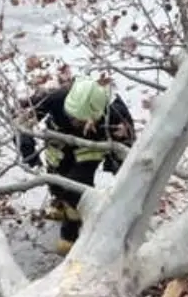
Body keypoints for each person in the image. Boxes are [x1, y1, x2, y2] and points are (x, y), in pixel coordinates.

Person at [19, 77, 136, 255]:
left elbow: (128, 147)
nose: (73, 121)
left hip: (89, 150)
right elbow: (23, 120)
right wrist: (28, 149)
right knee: (55, 179)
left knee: (76, 189)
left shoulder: (114, 113)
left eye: (79, 120)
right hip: (58, 144)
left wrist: (118, 169)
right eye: (70, 116)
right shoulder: (56, 98)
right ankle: (59, 202)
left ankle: (70, 233)